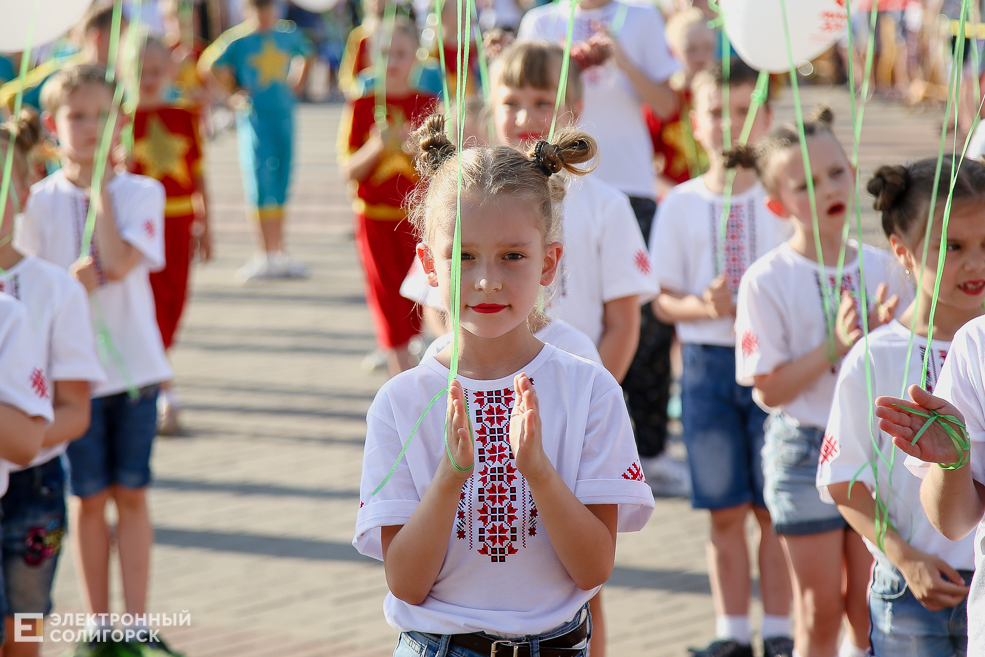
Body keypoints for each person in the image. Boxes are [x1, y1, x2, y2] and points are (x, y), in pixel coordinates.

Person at [353, 113, 654, 657]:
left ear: (549, 263)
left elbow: (594, 566)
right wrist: (449, 478)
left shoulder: (589, 389)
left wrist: (537, 469)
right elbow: (406, 582)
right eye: (462, 256)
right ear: (428, 264)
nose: (487, 279)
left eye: (513, 256)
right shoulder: (402, 402)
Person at [731, 107, 910, 657]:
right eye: (805, 183)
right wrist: (833, 348)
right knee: (820, 609)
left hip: (874, 449)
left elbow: (910, 365)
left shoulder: (888, 266)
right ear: (777, 204)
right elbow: (769, 391)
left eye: (835, 172)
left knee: (869, 604)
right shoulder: (766, 278)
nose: (827, 188)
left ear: (852, 170)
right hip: (802, 449)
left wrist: (881, 337)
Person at [14, 64, 177, 656]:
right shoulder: (36, 203)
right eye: (76, 116)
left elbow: (121, 262)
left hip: (134, 370)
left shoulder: (141, 192)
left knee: (130, 492)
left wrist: (102, 187)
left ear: (120, 122)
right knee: (87, 497)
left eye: (101, 115)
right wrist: (66, 282)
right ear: (55, 126)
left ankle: (137, 622)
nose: (89, 128)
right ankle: (98, 623)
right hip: (70, 376)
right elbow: (28, 283)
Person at [651, 59, 793, 657]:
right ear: (694, 122)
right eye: (717, 112)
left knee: (775, 508)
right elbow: (661, 300)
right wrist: (699, 305)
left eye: (744, 111)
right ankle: (732, 631)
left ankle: (783, 630)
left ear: (766, 118)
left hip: (774, 369)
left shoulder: (784, 202)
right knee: (724, 509)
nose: (731, 125)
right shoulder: (680, 204)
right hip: (709, 371)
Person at [819, 155, 985, 656]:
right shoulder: (875, 356)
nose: (976, 264)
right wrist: (905, 557)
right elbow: (843, 479)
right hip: (913, 596)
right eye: (952, 247)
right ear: (903, 252)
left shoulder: (980, 345)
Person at [518, 0, 681, 498]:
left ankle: (642, 448)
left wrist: (622, 59)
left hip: (623, 181)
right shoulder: (540, 22)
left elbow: (670, 104)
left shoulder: (642, 16)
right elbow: (519, 93)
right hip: (536, 181)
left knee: (643, 325)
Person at [0, 110, 104, 657]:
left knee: (22, 632)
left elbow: (75, 411)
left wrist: (16, 442)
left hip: (33, 487)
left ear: (23, 192)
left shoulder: (52, 290)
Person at [338, 16, 438, 377]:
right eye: (384, 54)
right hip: (375, 219)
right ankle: (401, 379)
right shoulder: (362, 105)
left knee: (425, 296)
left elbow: (443, 167)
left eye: (400, 53)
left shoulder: (430, 104)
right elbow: (348, 170)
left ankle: (427, 363)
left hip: (419, 221)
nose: (392, 62)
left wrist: (415, 148)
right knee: (388, 302)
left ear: (417, 57)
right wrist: (375, 146)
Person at [128, 36, 211, 436]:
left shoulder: (184, 115)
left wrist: (205, 222)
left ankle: (156, 378)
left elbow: (197, 174)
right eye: (141, 69)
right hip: (139, 229)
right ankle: (164, 391)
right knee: (149, 306)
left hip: (177, 224)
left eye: (157, 69)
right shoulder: (120, 120)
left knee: (174, 301)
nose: (149, 78)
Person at [199, 0, 314, 282]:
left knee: (282, 180)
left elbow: (307, 54)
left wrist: (298, 84)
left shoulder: (288, 34)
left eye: (268, 7)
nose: (265, 14)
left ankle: (279, 252)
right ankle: (264, 253)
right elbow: (208, 66)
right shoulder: (237, 39)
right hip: (255, 119)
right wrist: (232, 94)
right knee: (259, 182)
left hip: (283, 115)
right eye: (258, 8)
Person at [644, 6, 714, 193]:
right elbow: (646, 165)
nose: (701, 56)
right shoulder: (663, 101)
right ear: (673, 50)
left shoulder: (726, 97)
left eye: (708, 47)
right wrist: (675, 197)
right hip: (674, 199)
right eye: (691, 49)